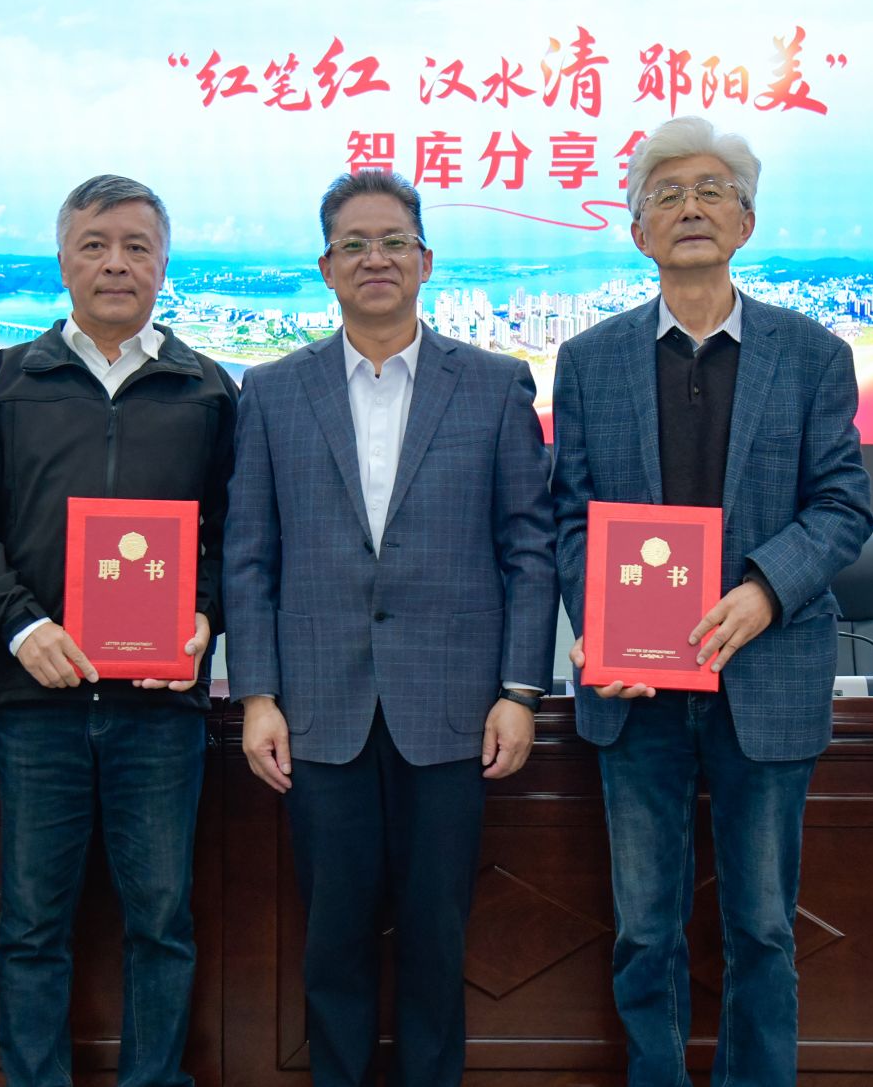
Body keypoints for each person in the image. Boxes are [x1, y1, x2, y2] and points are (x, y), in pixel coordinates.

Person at [551, 116, 872, 1085]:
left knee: (763, 927)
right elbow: (569, 515)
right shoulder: (590, 359)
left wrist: (766, 591)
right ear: (637, 231)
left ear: (746, 220)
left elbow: (842, 504)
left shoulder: (812, 354)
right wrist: (601, 623)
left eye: (711, 190)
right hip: (637, 691)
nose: (689, 207)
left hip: (764, 675)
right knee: (644, 929)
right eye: (666, 194)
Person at [224, 170, 556, 1087]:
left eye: (394, 241)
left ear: (426, 260)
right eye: (355, 244)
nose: (376, 258)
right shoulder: (274, 390)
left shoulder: (492, 384)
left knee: (436, 935)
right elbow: (249, 554)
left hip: (454, 709)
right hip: (317, 709)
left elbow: (529, 549)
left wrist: (520, 690)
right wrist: (257, 694)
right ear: (326, 267)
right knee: (331, 937)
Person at [0, 175, 236, 1087]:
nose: (116, 263)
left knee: (161, 920)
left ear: (164, 264)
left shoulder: (206, 389)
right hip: (37, 699)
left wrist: (204, 615)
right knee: (32, 922)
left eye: (137, 246)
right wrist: (18, 623)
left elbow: (239, 531)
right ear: (63, 260)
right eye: (95, 244)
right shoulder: (6, 382)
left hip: (160, 706)